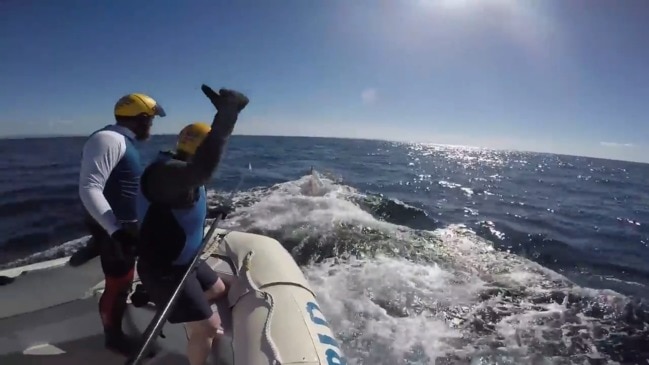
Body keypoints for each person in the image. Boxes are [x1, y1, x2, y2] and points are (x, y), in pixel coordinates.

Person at [135, 84, 248, 365]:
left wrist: (211, 213)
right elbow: (203, 170)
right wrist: (226, 117)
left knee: (219, 289)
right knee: (209, 327)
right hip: (165, 269)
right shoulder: (166, 173)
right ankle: (195, 326)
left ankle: (186, 316)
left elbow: (181, 211)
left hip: (188, 260)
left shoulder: (181, 174)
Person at [74, 92, 166, 355]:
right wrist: (115, 232)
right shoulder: (108, 139)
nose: (152, 125)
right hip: (117, 229)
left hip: (120, 226)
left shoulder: (121, 140)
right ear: (142, 118)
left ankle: (97, 247)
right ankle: (113, 338)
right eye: (151, 120)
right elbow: (90, 188)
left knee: (127, 275)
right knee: (118, 284)